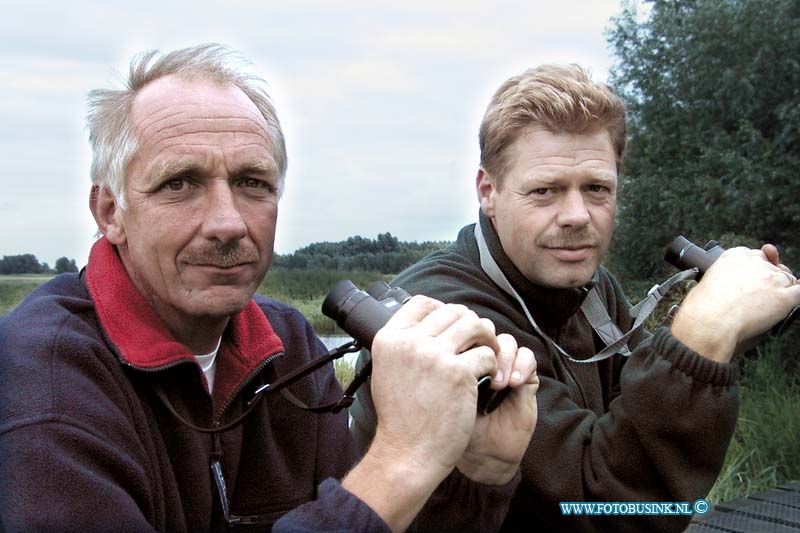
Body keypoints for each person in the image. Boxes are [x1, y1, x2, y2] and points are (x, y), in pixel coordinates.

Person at [0, 44, 542, 532]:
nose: (227, 222)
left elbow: (370, 515)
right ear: (110, 211)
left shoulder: (288, 350)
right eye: (179, 183)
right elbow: (372, 498)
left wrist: (474, 474)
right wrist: (401, 459)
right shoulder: (45, 381)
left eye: (252, 183)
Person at [350, 64, 800, 531]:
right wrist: (703, 333)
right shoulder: (444, 314)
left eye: (597, 188)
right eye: (545, 190)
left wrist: (736, 324)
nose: (576, 215)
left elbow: (633, 416)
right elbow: (601, 504)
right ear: (489, 192)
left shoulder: (589, 284)